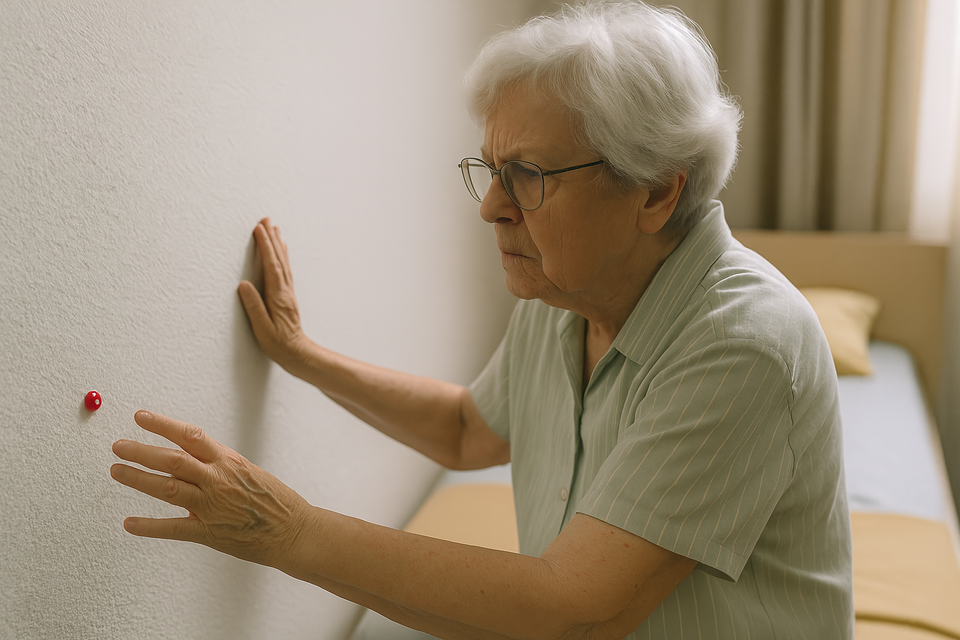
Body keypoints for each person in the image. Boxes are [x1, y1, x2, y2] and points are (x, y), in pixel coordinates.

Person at [109, 1, 854, 638]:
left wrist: (289, 529)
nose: (490, 206)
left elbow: (576, 614)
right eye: (490, 169)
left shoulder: (743, 345)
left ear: (656, 192)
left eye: (527, 175)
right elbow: (471, 430)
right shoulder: (562, 294)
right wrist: (303, 354)